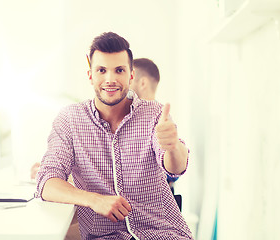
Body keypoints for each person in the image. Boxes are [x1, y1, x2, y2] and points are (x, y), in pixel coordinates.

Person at [35, 32, 193, 240]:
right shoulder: (70, 120)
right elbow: (46, 182)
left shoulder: (155, 113)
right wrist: (95, 200)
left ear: (131, 75)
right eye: (102, 70)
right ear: (90, 74)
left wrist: (173, 146)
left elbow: (176, 167)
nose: (110, 79)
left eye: (119, 70)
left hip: (164, 234)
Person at [130, 58, 179, 192]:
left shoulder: (162, 120)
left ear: (142, 82)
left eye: (130, 79)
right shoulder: (127, 119)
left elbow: (173, 172)